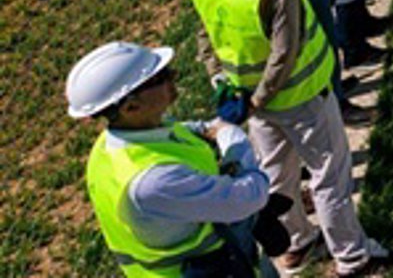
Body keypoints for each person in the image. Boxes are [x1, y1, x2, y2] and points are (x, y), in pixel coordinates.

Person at [190, 0, 383, 275]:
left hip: (253, 102)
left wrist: (234, 92)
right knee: (329, 176)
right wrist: (261, 97)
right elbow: (285, 52)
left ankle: (297, 241)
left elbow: (205, 39)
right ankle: (351, 254)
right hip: (302, 97)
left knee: (278, 174)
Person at [67, 40, 276, 277]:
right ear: (131, 107)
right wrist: (233, 139)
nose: (173, 75)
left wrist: (218, 124)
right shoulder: (152, 183)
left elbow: (187, 131)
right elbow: (250, 196)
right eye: (160, 77)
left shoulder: (115, 142)